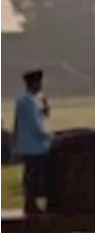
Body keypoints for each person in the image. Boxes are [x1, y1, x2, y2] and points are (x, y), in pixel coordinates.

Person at [12, 69, 52, 215]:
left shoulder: (29, 100)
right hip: (34, 146)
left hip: (30, 145)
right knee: (34, 176)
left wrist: (45, 113)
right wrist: (50, 135)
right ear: (34, 83)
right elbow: (35, 126)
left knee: (32, 176)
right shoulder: (28, 101)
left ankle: (32, 203)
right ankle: (31, 204)